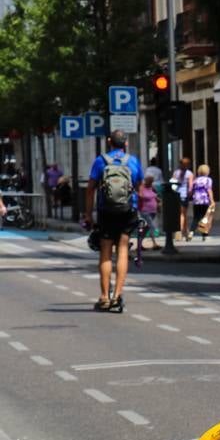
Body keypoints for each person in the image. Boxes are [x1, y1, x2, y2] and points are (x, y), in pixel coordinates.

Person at [84, 130, 143, 311]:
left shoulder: (100, 161)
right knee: (123, 250)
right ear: (125, 143)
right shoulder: (133, 161)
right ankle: (117, 295)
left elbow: (91, 188)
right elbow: (139, 189)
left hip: (106, 210)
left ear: (109, 141)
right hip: (127, 210)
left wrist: (88, 213)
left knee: (106, 252)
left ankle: (104, 297)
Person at [190, 164, 215, 240]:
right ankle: (204, 234)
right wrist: (212, 200)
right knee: (205, 217)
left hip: (196, 200)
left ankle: (191, 232)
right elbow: (209, 190)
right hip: (204, 200)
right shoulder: (208, 180)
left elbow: (192, 190)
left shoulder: (196, 180)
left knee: (196, 218)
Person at [170, 157, 193, 240]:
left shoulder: (176, 173)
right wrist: (190, 194)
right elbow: (190, 187)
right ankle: (179, 232)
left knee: (181, 214)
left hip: (176, 194)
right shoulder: (189, 174)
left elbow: (172, 183)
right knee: (183, 214)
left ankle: (186, 231)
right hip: (184, 195)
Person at [137, 177, 160, 250]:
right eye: (149, 181)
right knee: (151, 226)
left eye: (151, 182)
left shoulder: (152, 187)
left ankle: (139, 245)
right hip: (145, 210)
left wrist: (158, 201)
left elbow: (155, 195)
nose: (150, 183)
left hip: (153, 211)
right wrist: (145, 197)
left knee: (146, 229)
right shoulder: (142, 187)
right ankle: (154, 244)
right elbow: (140, 195)